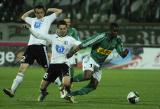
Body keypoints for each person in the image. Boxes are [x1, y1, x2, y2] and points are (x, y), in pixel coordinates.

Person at [3, 5, 62, 97]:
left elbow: (59, 11)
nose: (39, 14)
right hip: (30, 48)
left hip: (40, 48)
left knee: (49, 72)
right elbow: (23, 17)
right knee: (22, 69)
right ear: (35, 13)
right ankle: (12, 90)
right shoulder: (32, 20)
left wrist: (49, 9)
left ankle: (62, 88)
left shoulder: (48, 18)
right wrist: (31, 10)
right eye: (37, 13)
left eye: (41, 12)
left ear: (44, 12)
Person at [66, 22, 129, 99]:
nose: (115, 33)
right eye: (114, 31)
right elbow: (85, 44)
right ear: (110, 30)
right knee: (87, 76)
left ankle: (71, 94)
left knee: (93, 86)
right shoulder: (101, 36)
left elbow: (122, 54)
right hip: (91, 59)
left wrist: (125, 53)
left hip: (99, 65)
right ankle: (69, 80)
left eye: (117, 31)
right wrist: (72, 52)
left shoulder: (117, 40)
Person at [26, 20, 81, 103]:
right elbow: (38, 35)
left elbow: (80, 44)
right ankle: (43, 93)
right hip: (53, 66)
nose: (62, 30)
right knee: (42, 87)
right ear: (57, 29)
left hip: (64, 65)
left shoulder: (70, 39)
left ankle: (69, 94)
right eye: (61, 29)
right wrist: (29, 28)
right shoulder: (52, 37)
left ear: (66, 29)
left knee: (66, 83)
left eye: (64, 29)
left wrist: (74, 51)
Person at [54, 17, 81, 98]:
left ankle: (67, 88)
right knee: (59, 70)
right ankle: (63, 88)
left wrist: (73, 52)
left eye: (69, 22)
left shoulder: (73, 31)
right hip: (60, 54)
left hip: (70, 53)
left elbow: (76, 42)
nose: (67, 23)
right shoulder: (58, 31)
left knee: (70, 69)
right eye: (66, 22)